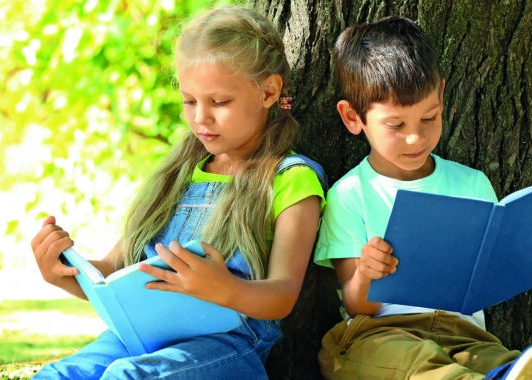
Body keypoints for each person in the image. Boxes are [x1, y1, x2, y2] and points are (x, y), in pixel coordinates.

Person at [313, 16, 532, 380]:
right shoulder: (350, 195)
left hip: (464, 334)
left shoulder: (471, 184)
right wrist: (366, 271)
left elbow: (489, 276)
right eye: (396, 126)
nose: (416, 138)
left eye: (429, 118)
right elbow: (356, 303)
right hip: (378, 336)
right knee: (415, 364)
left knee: (499, 359)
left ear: (442, 95)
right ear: (353, 117)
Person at [29, 6, 325, 379]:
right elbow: (112, 273)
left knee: (128, 376)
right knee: (57, 375)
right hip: (139, 337)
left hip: (224, 346)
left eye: (220, 102)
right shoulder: (177, 176)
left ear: (268, 92)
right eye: (190, 101)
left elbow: (283, 295)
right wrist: (63, 271)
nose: (201, 117)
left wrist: (225, 288)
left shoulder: (290, 177)